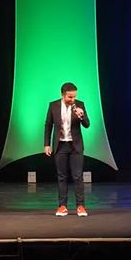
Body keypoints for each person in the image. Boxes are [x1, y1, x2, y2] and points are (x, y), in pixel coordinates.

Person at [44, 82, 90, 217]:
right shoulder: (53, 105)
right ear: (62, 95)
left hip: (75, 145)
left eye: (74, 97)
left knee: (78, 176)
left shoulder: (80, 105)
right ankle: (62, 206)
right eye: (70, 97)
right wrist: (47, 144)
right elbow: (48, 125)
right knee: (62, 176)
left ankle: (80, 206)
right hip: (60, 145)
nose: (73, 100)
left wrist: (82, 116)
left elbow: (87, 125)